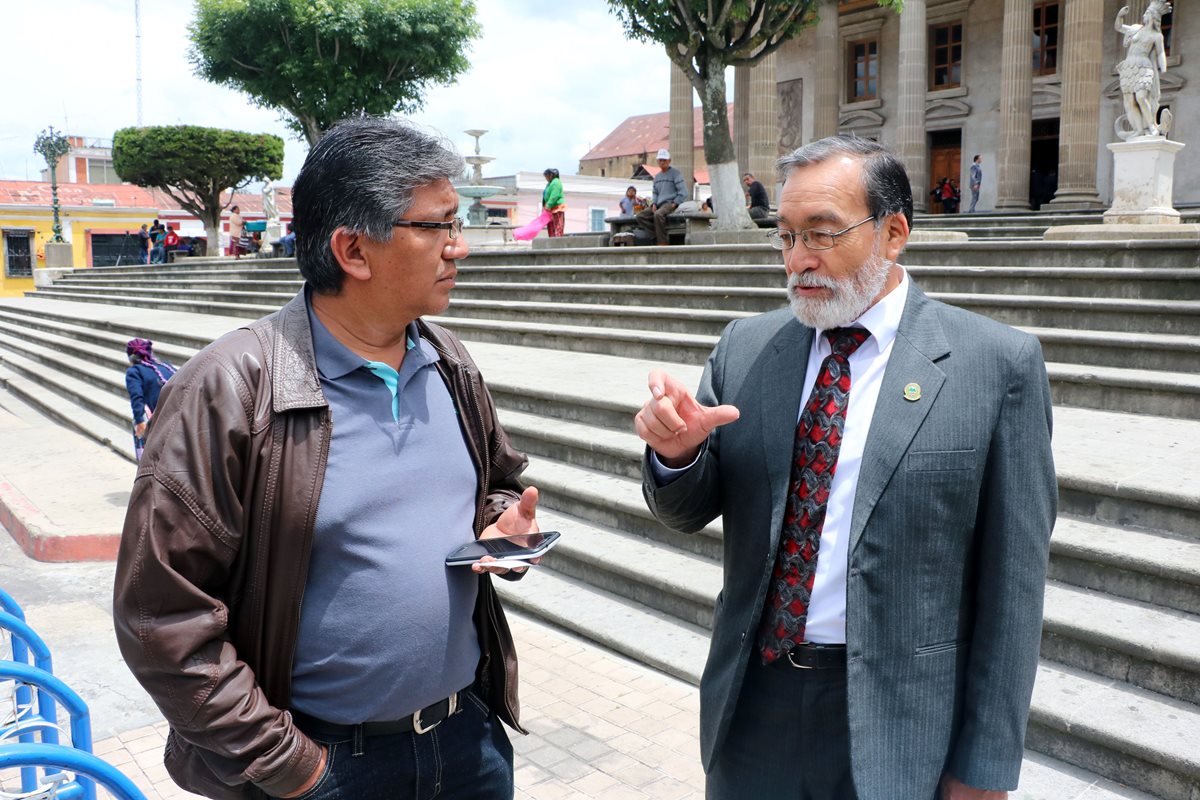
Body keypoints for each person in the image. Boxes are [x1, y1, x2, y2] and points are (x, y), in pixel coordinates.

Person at [113, 117, 540, 800]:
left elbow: (492, 483)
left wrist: (497, 523)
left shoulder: (448, 361)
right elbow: (160, 618)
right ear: (353, 250)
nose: (459, 248)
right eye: (437, 227)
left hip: (468, 745)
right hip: (326, 765)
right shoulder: (228, 388)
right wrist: (296, 768)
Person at [635, 135, 1055, 800]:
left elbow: (1013, 590)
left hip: (900, 727)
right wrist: (677, 454)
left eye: (823, 234)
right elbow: (686, 510)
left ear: (892, 234)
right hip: (754, 709)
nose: (800, 259)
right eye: (787, 236)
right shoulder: (747, 349)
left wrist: (984, 768)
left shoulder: (994, 366)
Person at [1115, 0, 1170, 137]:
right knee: (1129, 100)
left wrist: (1163, 66)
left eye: (1146, 13)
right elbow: (1119, 27)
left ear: (1152, 16)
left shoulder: (1157, 36)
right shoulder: (1135, 28)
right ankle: (1139, 129)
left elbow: (1161, 52)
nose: (1143, 15)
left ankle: (1151, 125)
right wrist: (1120, 16)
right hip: (1129, 66)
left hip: (1144, 65)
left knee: (1141, 97)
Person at [124, 338, 176, 461]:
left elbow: (137, 397)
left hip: (160, 422)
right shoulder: (166, 366)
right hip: (179, 415)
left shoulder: (134, 372)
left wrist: (139, 421)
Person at [636, 148, 687, 246]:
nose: (662, 162)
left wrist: (675, 203)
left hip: (669, 202)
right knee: (640, 216)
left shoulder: (676, 174)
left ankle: (662, 242)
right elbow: (655, 192)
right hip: (659, 203)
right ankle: (658, 234)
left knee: (658, 215)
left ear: (669, 161)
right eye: (660, 160)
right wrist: (654, 203)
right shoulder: (657, 177)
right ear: (658, 161)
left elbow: (684, 192)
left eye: (664, 160)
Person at [542, 168, 565, 237]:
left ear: (551, 175)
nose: (546, 178)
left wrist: (548, 205)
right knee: (551, 228)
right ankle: (552, 241)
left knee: (557, 227)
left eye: (546, 175)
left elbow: (554, 196)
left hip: (556, 209)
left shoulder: (556, 182)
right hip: (550, 210)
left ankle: (557, 243)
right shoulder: (549, 184)